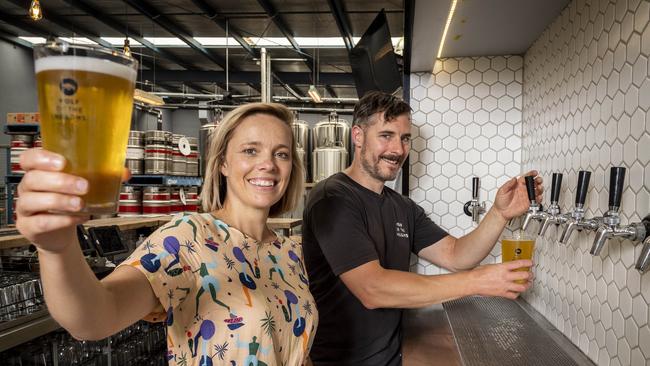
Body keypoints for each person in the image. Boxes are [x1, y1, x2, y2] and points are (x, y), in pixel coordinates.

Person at [16, 103, 318, 366]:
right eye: (251, 150)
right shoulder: (186, 237)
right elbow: (95, 316)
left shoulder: (290, 253)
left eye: (282, 154)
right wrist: (57, 248)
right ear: (223, 163)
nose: (268, 164)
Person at [302, 91, 543, 366]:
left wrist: (499, 213)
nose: (397, 149)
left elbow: (455, 255)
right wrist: (479, 281)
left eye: (405, 138)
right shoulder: (333, 198)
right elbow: (372, 289)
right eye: (386, 135)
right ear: (358, 136)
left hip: (392, 359)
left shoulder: (401, 207)